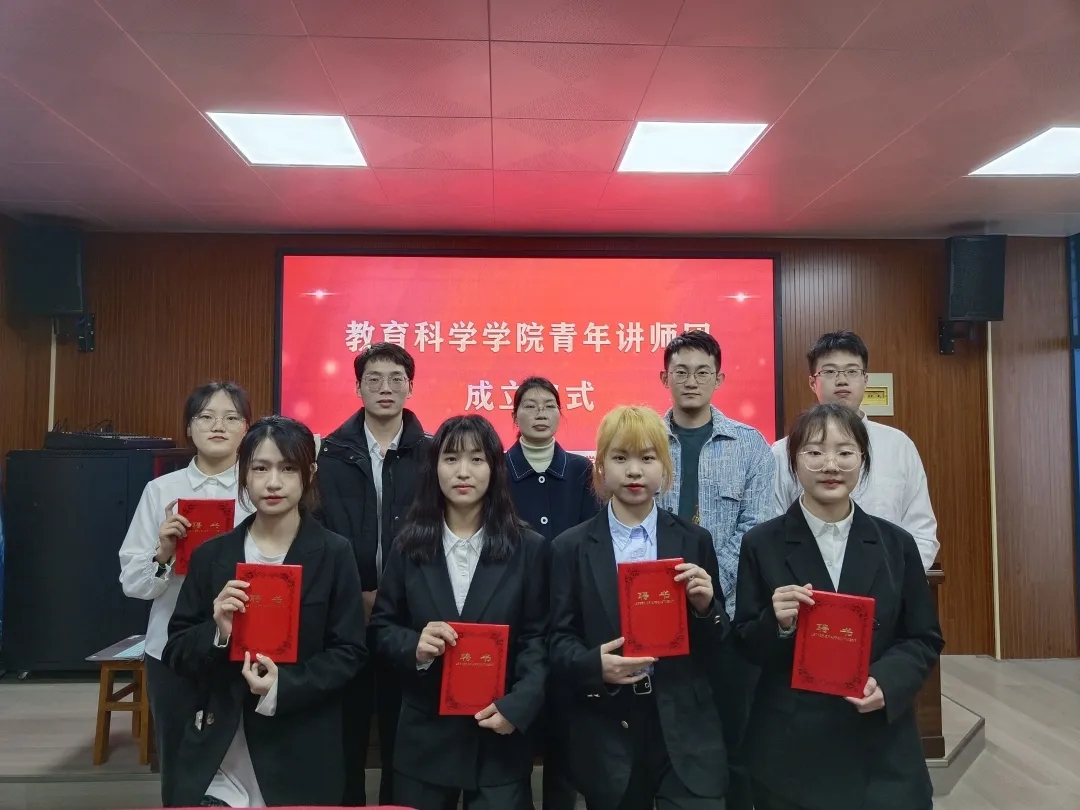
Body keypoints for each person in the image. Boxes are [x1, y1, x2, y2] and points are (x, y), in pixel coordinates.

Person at [735, 404, 944, 810]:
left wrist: (887, 682)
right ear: (794, 462)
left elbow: (923, 637)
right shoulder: (761, 543)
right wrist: (776, 623)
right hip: (792, 748)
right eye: (814, 452)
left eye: (845, 452)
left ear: (862, 459)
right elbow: (744, 643)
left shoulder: (896, 544)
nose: (830, 465)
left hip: (879, 745)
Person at [163, 416, 367, 808]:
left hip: (300, 748)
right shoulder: (212, 555)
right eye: (260, 468)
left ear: (309, 473)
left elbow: (350, 652)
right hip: (219, 751)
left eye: (288, 469)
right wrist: (218, 632)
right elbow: (176, 651)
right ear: (244, 474)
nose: (273, 482)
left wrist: (282, 686)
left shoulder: (334, 553)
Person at [549, 405, 729, 810]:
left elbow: (717, 646)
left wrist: (706, 607)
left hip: (684, 731)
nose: (634, 471)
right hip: (607, 731)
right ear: (600, 467)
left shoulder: (693, 540)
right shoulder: (570, 548)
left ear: (664, 468)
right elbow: (557, 640)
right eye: (620, 458)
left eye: (647, 458)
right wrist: (595, 666)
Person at [369, 414, 549, 810]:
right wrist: (415, 646)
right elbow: (382, 628)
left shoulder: (529, 548)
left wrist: (517, 707)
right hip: (426, 741)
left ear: (495, 468)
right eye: (451, 459)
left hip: (499, 737)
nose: (463, 471)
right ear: (434, 468)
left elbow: (538, 639)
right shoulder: (408, 546)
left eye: (476, 459)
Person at [655, 330, 774, 810]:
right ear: (664, 378)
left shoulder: (749, 444)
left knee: (734, 732)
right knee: (663, 733)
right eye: (680, 372)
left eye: (702, 372)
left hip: (728, 615)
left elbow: (755, 528)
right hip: (655, 613)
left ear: (719, 379)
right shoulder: (645, 439)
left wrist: (706, 587)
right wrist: (667, 590)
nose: (691, 381)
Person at [118, 381, 253, 807]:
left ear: (246, 428)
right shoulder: (160, 491)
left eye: (231, 417)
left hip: (244, 644)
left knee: (245, 761)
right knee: (179, 761)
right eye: (206, 417)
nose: (218, 426)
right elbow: (133, 584)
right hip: (171, 649)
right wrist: (163, 552)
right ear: (189, 427)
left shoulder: (258, 489)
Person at [315, 341, 432, 805]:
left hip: (409, 617)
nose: (386, 388)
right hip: (346, 617)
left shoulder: (432, 453)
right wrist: (355, 595)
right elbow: (319, 533)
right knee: (347, 732)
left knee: (403, 733)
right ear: (358, 387)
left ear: (410, 387)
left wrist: (394, 599)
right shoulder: (330, 454)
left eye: (396, 379)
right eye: (374, 379)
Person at [504, 375, 600, 810]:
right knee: (515, 731)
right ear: (515, 416)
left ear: (561, 414)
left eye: (548, 406)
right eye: (530, 405)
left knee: (565, 730)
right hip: (513, 610)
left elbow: (591, 541)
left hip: (568, 613)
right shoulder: (497, 470)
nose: (540, 413)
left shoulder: (582, 471)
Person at [772, 331, 939, 570]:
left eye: (852, 371)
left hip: (888, 583)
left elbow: (921, 532)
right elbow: (772, 529)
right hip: (807, 585)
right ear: (812, 382)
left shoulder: (898, 446)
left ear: (865, 379)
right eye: (830, 372)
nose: (842, 380)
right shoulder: (783, 451)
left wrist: (895, 580)